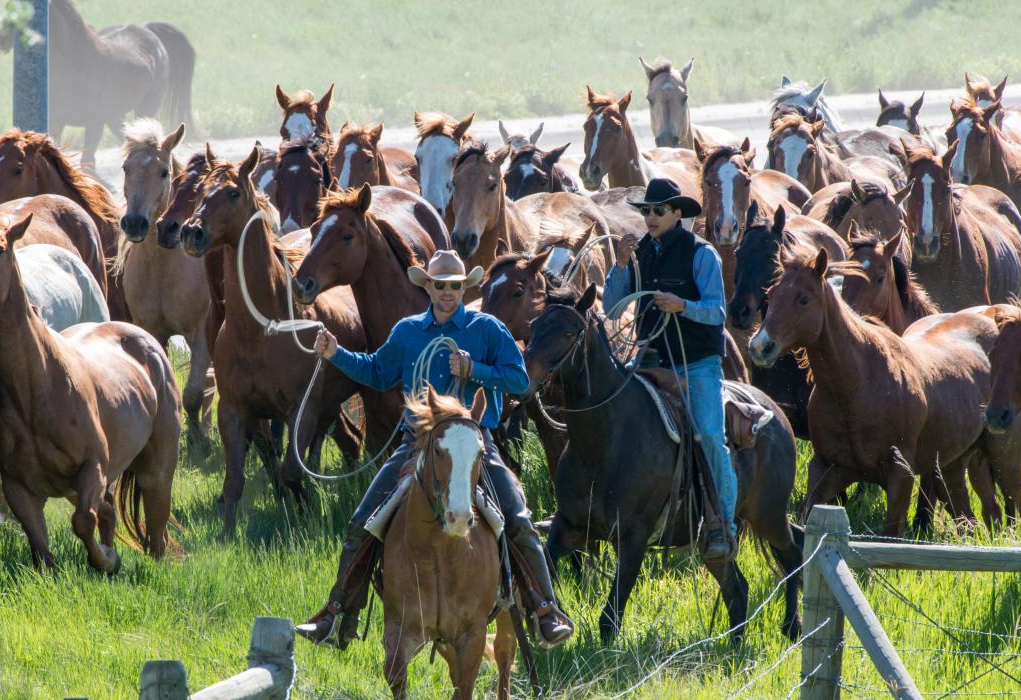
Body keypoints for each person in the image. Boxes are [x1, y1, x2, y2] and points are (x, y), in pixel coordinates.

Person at [296, 250, 574, 649]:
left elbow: (518, 381)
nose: (447, 293)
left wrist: (475, 369)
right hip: (418, 443)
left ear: (464, 287)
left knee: (517, 518)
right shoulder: (408, 332)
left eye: (455, 286)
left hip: (475, 442)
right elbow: (376, 371)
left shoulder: (488, 329)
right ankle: (338, 613)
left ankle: (544, 611)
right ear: (427, 286)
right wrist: (334, 353)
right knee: (362, 522)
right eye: (440, 285)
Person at [604, 177, 737, 562]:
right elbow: (613, 309)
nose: (650, 217)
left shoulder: (702, 254)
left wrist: (683, 306)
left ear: (677, 214)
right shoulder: (640, 252)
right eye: (646, 210)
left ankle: (723, 525)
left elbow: (717, 313)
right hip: (648, 359)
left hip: (695, 364)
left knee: (711, 435)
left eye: (658, 211)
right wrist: (620, 265)